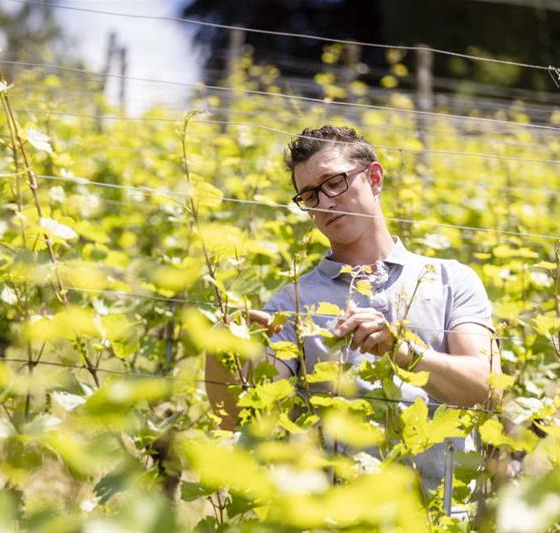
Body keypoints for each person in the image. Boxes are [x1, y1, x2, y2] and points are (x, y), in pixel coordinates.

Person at [204, 125, 500, 490]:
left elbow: (487, 387)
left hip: (440, 511)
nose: (325, 203)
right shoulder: (291, 303)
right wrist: (220, 349)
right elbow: (241, 422)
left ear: (374, 178)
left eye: (334, 183)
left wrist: (403, 352)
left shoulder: (450, 279)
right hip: (336, 511)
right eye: (310, 195)